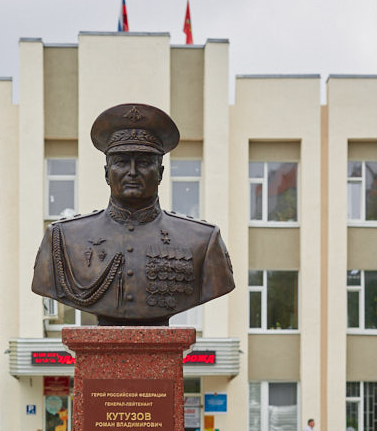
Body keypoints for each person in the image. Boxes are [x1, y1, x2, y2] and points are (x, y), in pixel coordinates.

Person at [31, 103, 235, 325]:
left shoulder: (203, 240)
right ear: (107, 173)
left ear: (160, 173)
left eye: (144, 162)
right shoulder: (63, 239)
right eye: (121, 162)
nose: (132, 172)